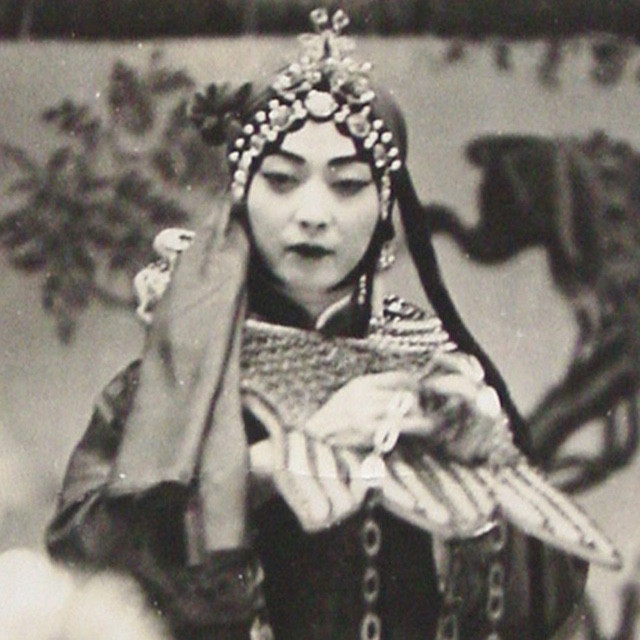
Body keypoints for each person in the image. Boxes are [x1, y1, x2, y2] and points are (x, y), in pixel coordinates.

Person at [47, 9, 614, 640]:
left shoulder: (435, 366)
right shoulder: (176, 375)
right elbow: (86, 553)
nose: (313, 213)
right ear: (241, 198)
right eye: (282, 181)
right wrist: (268, 467)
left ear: (384, 209)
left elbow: (546, 603)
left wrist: (481, 481)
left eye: (346, 185)